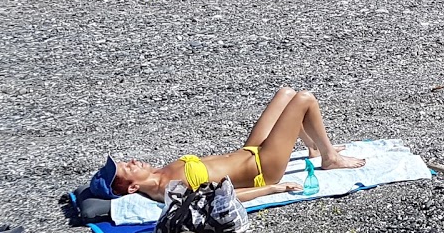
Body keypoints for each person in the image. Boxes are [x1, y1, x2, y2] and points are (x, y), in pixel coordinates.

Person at [96, 86, 365, 205]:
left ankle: (313, 147)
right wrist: (273, 188)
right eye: (127, 168)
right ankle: (329, 158)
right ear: (132, 187)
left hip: (250, 151)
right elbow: (225, 196)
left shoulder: (161, 172)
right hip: (263, 168)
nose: (132, 161)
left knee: (286, 93)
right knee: (305, 99)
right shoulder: (169, 190)